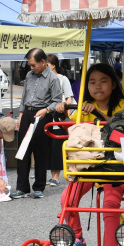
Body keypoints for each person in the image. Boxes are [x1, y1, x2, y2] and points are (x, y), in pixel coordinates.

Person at [56, 63, 124, 246]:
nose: (97, 86)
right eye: (92, 82)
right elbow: (72, 131)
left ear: (113, 84)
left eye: (103, 81)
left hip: (115, 165)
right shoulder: (82, 108)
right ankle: (78, 239)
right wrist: (64, 111)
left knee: (110, 204)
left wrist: (98, 113)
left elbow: (123, 130)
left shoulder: (123, 106)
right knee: (67, 199)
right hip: (90, 164)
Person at [10, 48, 62, 199]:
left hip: (42, 116)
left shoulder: (52, 78)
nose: (31, 68)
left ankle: (39, 187)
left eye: (33, 65)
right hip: (27, 114)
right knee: (23, 151)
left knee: (40, 152)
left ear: (43, 62)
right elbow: (24, 96)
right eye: (30, 65)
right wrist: (20, 116)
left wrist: (46, 110)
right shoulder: (29, 75)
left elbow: (57, 100)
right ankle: (22, 188)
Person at [46, 54, 74, 187]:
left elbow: (69, 98)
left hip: (59, 116)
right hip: (46, 116)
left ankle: (56, 177)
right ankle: (52, 176)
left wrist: (65, 109)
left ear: (53, 65)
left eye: (47, 64)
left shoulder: (63, 79)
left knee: (57, 146)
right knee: (49, 146)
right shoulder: (44, 79)